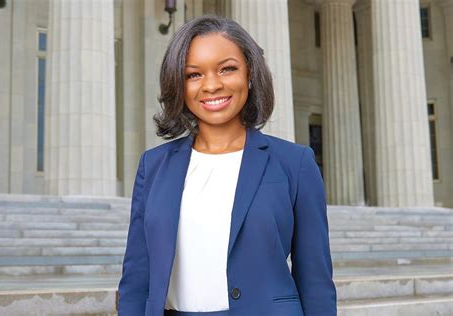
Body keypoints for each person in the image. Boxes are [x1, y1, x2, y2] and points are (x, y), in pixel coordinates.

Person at [118, 15, 337, 316]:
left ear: (249, 74)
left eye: (227, 69)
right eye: (193, 74)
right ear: (179, 85)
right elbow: (136, 279)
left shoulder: (294, 163)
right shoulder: (153, 166)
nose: (211, 85)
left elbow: (315, 281)